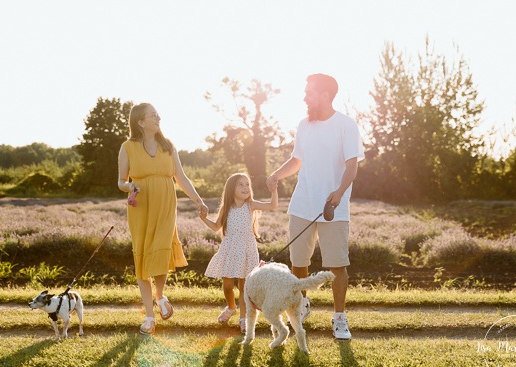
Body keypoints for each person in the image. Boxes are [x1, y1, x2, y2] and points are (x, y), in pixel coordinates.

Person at [266, 73, 365, 340]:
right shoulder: (304, 125)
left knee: (336, 267)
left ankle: (340, 318)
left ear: (325, 95)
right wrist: (276, 174)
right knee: (299, 265)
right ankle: (303, 304)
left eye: (309, 92)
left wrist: (339, 192)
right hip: (302, 205)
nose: (305, 97)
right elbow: (296, 160)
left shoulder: (346, 125)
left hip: (333, 207)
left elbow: (352, 166)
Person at [118, 103, 208, 335]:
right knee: (144, 255)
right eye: (153, 115)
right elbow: (120, 182)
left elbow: (181, 177)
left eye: (158, 114)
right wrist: (130, 185)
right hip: (141, 207)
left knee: (160, 250)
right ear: (140, 122)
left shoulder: (168, 146)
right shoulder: (127, 147)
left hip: (166, 204)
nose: (159, 117)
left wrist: (199, 200)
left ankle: (160, 297)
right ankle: (149, 317)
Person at [199, 172, 279, 333]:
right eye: (240, 185)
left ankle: (243, 319)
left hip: (247, 249)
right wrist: (203, 218)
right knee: (228, 286)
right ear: (231, 189)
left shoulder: (251, 205)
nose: (245, 188)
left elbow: (273, 205)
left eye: (247, 184)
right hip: (230, 249)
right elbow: (216, 227)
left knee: (244, 288)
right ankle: (231, 307)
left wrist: (274, 190)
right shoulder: (226, 208)